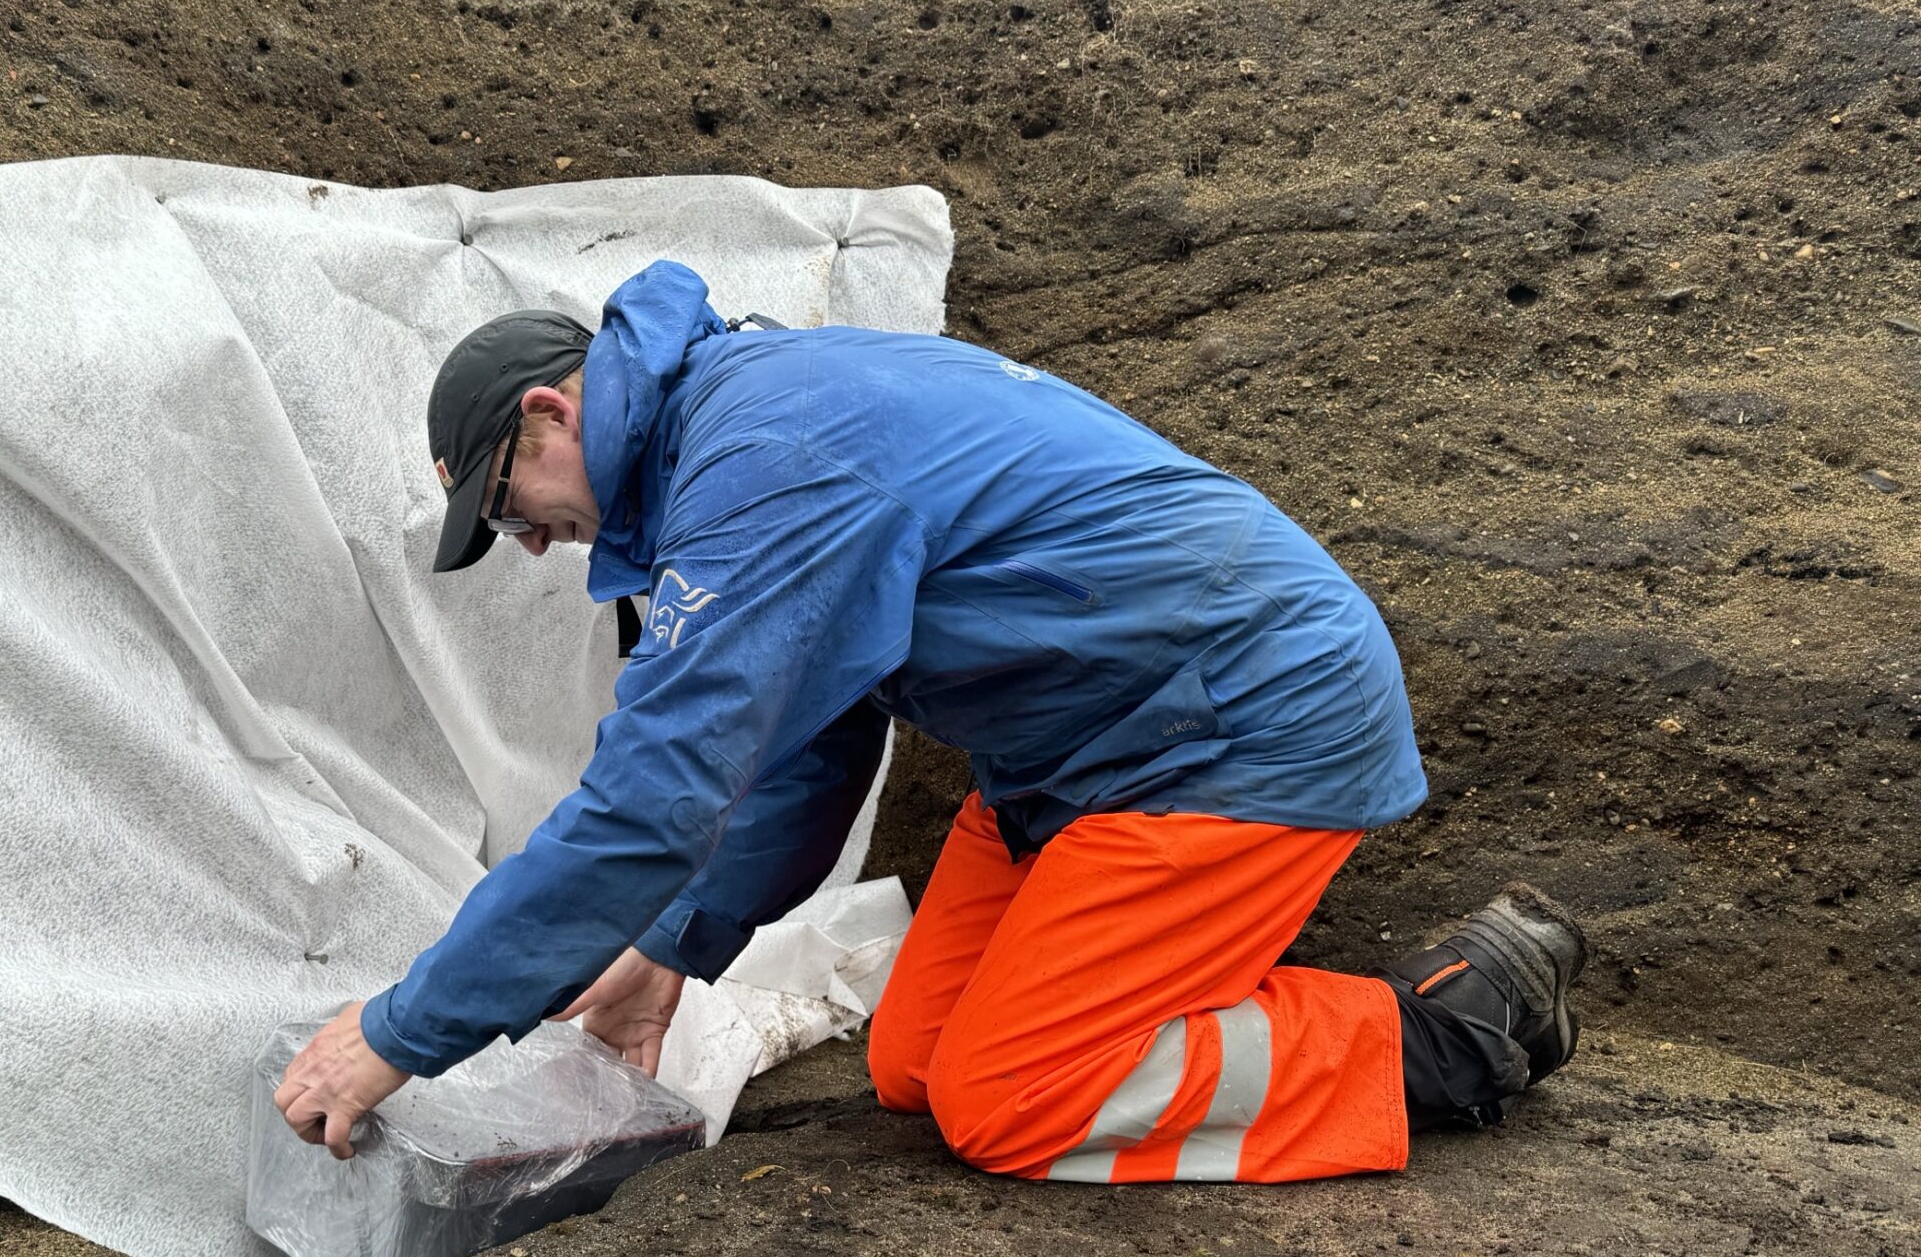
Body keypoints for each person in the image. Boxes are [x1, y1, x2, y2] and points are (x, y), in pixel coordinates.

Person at [275, 258, 1587, 1182]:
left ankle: (1440, 1033)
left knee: (1010, 1098)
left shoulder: (758, 464)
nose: (530, 545)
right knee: (912, 1063)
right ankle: (1161, 992)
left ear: (552, 412)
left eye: (510, 511)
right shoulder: (729, 438)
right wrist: (672, 949)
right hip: (1084, 753)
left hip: (1238, 721)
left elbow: (645, 808)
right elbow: (813, 750)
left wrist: (398, 1033)